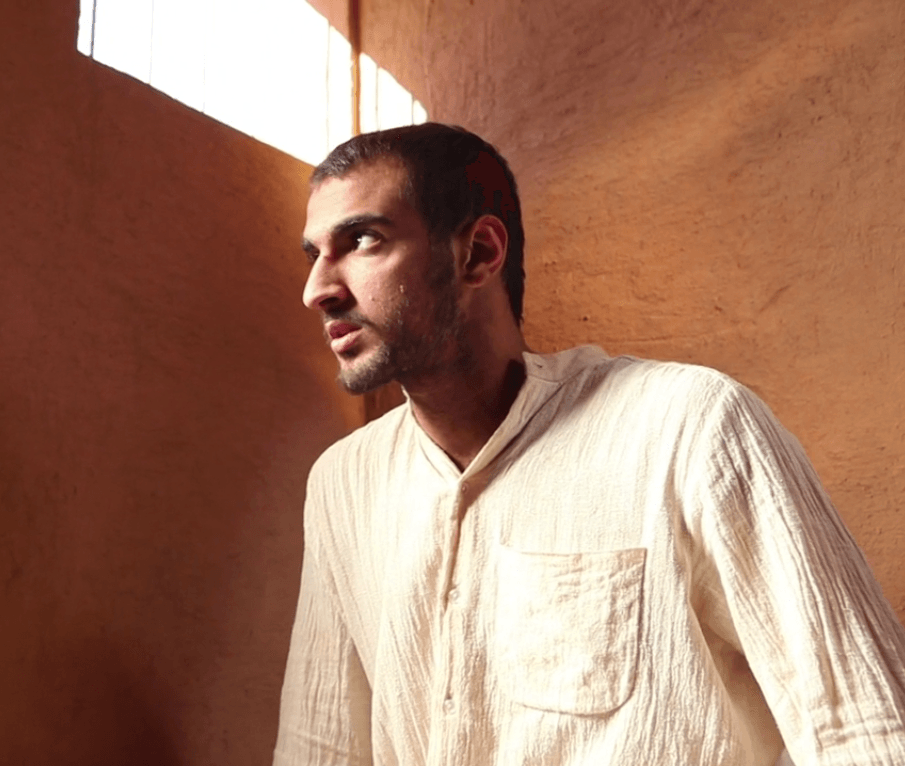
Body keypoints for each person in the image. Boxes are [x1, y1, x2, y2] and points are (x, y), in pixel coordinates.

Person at [273, 123, 905, 766]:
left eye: (362, 240)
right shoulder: (343, 482)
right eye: (314, 254)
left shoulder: (689, 426)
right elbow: (321, 744)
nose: (317, 290)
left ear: (479, 253)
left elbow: (865, 727)